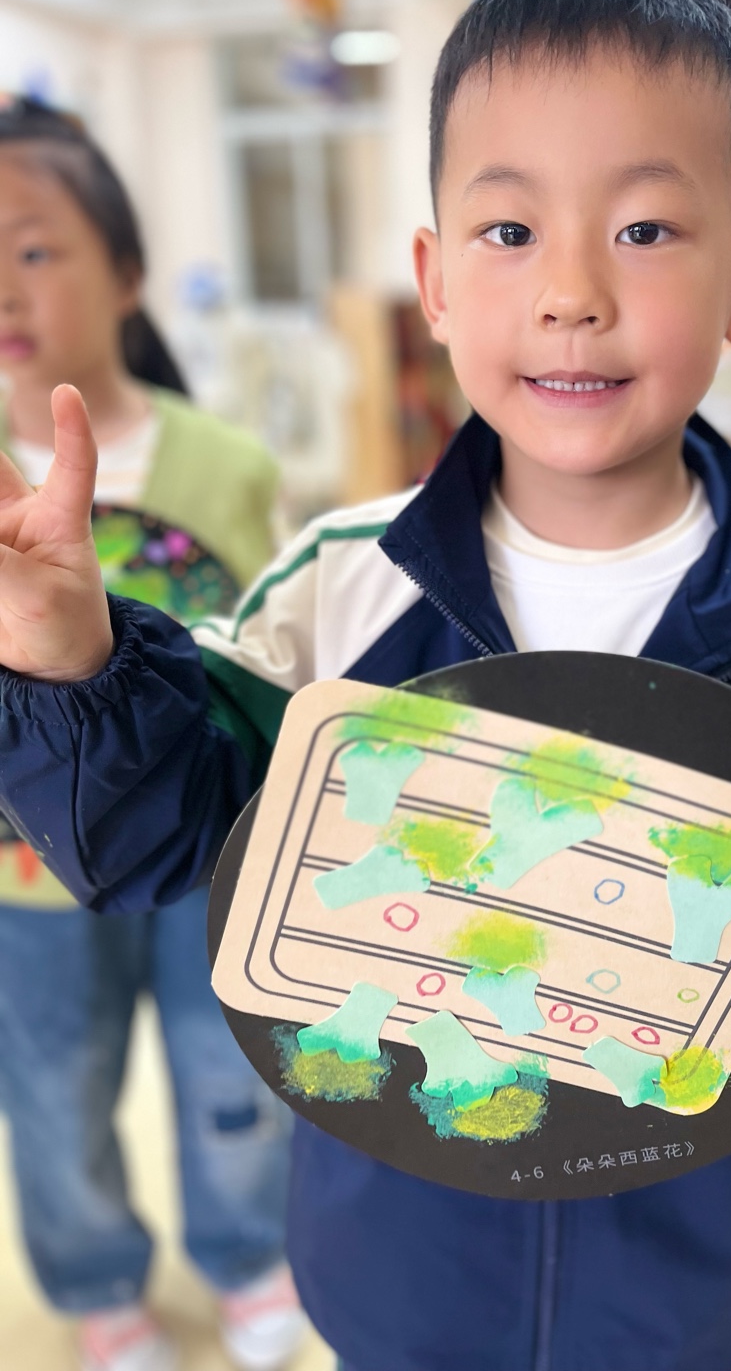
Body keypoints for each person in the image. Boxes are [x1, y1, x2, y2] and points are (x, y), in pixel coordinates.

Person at [0, 0, 731, 1369]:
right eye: (509, 231)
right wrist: (68, 665)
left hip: (684, 1298)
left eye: (646, 229)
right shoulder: (343, 585)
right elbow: (157, 830)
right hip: (393, 1277)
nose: (570, 290)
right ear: (436, 282)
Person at [0, 98, 307, 1371]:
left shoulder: (227, 466)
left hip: (210, 858)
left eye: (33, 247)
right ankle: (96, 1281)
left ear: (126, 271)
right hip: (19, 881)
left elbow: (275, 656)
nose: (3, 286)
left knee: (229, 1063)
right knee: (52, 1089)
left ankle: (246, 1253)